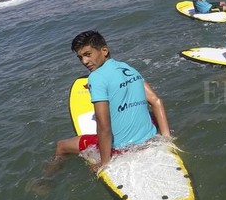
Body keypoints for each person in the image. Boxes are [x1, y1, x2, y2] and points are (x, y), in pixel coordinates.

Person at [53, 31, 170, 172]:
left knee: (61, 146)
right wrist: (166, 139)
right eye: (80, 57)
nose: (84, 61)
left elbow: (104, 126)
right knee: (148, 114)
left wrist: (105, 163)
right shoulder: (128, 68)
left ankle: (46, 179)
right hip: (149, 138)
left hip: (122, 149)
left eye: (88, 54)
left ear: (104, 50)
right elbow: (156, 101)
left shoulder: (96, 78)